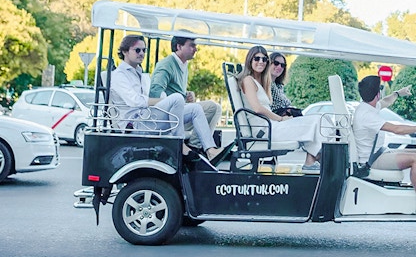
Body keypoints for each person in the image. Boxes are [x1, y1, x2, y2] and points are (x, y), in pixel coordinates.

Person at [111, 35, 223, 164]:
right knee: (176, 98)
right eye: (137, 50)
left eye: (144, 50)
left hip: (148, 118)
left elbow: (156, 97)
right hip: (135, 124)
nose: (141, 53)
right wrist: (164, 100)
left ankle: (210, 150)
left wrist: (173, 98)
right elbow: (135, 101)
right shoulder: (119, 75)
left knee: (195, 108)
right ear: (125, 51)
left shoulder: (142, 74)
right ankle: (179, 143)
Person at [238, 46, 330, 172]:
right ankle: (320, 159)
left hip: (271, 126)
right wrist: (281, 118)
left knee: (320, 119)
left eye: (264, 59)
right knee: (317, 121)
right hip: (266, 130)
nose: (261, 62)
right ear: (250, 60)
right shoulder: (248, 80)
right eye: (257, 58)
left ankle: (312, 160)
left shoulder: (260, 81)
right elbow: (257, 108)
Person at [149, 35, 223, 152]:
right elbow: (155, 92)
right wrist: (177, 99)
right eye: (192, 45)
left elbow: (175, 89)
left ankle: (197, 146)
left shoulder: (183, 64)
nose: (196, 49)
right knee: (210, 107)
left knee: (216, 108)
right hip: (167, 116)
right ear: (179, 46)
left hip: (179, 112)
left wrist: (186, 94)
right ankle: (197, 148)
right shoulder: (166, 65)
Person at [353, 75, 416, 188]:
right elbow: (397, 129)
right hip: (372, 161)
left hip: (379, 153)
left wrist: (398, 93)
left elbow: (385, 101)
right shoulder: (366, 115)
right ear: (377, 94)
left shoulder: (367, 106)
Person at [269, 52, 302, 117]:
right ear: (268, 64)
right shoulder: (265, 83)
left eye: (283, 65)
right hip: (276, 119)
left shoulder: (279, 86)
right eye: (276, 63)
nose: (279, 67)